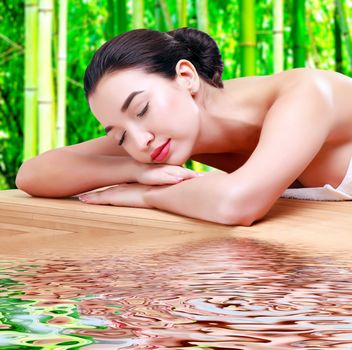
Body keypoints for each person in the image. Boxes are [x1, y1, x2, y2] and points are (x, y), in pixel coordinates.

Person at [16, 27, 352, 226]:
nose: (139, 141)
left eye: (142, 109)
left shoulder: (307, 94)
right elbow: (32, 174)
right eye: (119, 137)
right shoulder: (161, 136)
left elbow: (236, 204)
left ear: (186, 77)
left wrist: (144, 195)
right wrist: (136, 170)